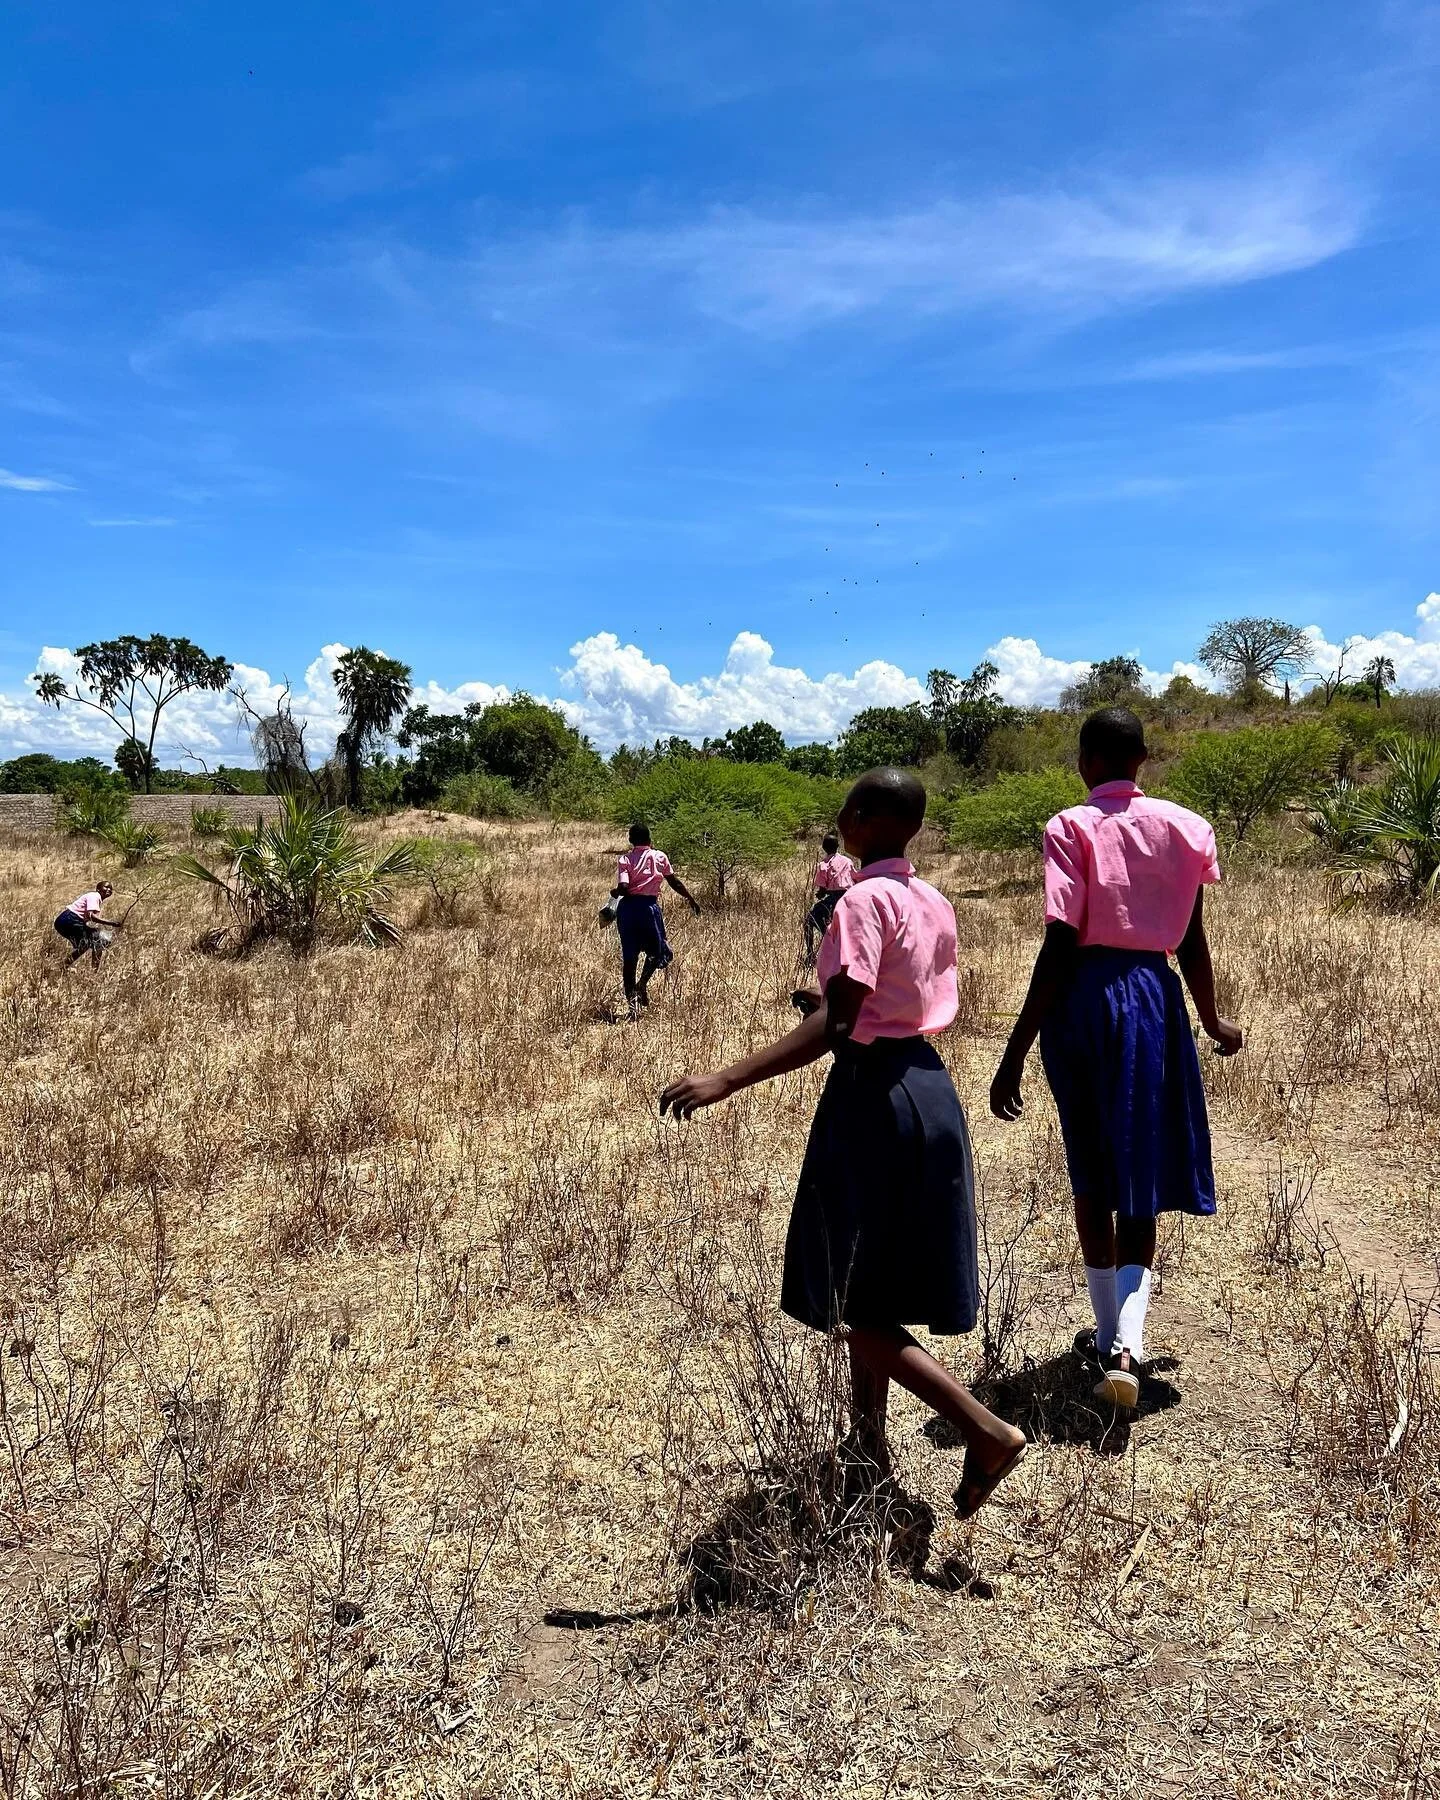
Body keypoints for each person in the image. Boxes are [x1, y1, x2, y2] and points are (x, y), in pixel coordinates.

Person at [661, 768, 1027, 1517]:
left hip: (872, 1096)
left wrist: (725, 1079)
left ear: (858, 818)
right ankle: (867, 1447)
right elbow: (878, 998)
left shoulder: (862, 898)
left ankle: (982, 1428)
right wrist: (829, 999)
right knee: (874, 1286)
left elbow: (839, 1030)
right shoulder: (932, 899)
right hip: (928, 1085)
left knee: (849, 1300)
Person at [989, 707, 1244, 1410]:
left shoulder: (1070, 827)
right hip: (1156, 998)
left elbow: (1062, 939)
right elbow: (1191, 937)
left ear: (1085, 760)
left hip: (1085, 1000)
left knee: (1093, 1168)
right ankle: (1127, 1341)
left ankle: (1111, 1339)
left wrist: (1014, 1048)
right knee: (1139, 1167)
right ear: (1141, 759)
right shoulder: (1186, 827)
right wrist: (1212, 1018)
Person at [612, 824, 700, 1018]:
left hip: (628, 910)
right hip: (649, 910)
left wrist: (616, 892)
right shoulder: (660, 857)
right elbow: (674, 882)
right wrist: (690, 899)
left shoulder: (625, 859)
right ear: (650, 839)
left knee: (630, 957)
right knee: (657, 951)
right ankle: (642, 983)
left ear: (630, 840)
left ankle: (632, 1006)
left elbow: (624, 887)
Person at [803, 830, 855, 963]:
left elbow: (822, 889)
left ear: (823, 847)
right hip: (850, 897)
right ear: (838, 846)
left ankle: (811, 954)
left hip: (834, 898)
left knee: (809, 921)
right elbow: (855, 879)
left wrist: (820, 894)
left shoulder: (823, 865)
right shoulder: (848, 861)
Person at [54, 880, 121, 966]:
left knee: (87, 944)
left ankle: (64, 966)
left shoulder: (96, 898)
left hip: (65, 921)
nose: (109, 890)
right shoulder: (95, 896)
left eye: (111, 889)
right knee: (98, 940)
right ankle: (91, 970)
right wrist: (111, 923)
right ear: (98, 889)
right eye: (106, 887)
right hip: (70, 920)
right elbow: (91, 916)